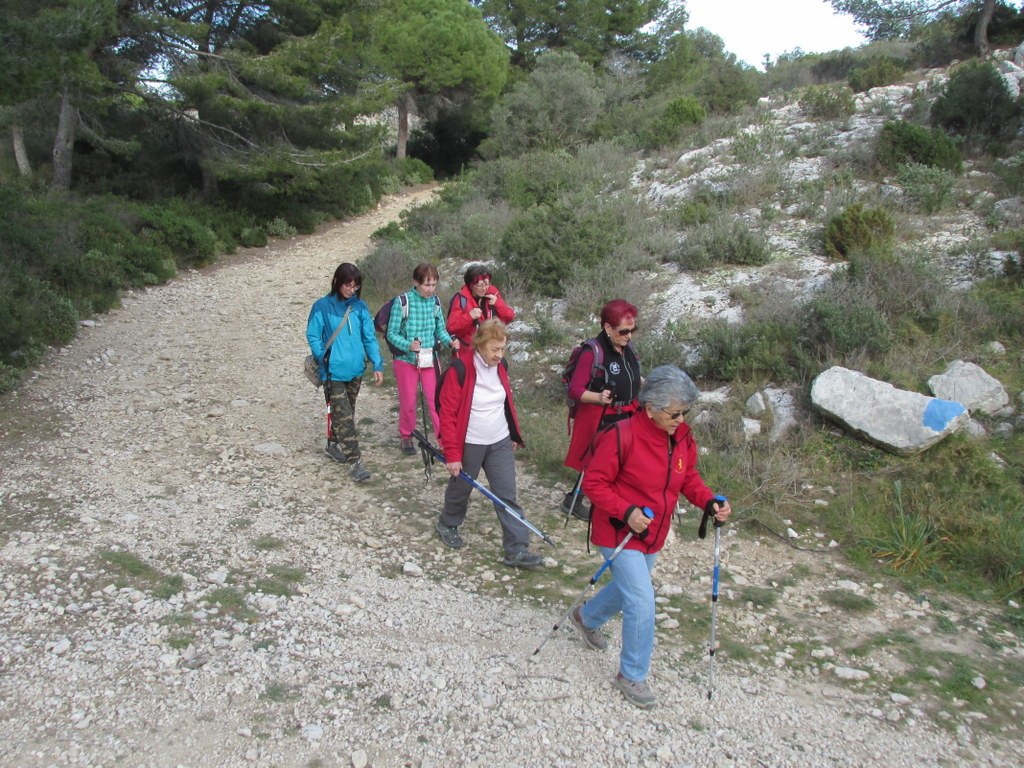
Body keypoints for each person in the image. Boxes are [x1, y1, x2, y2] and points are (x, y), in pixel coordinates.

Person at [573, 365, 732, 709]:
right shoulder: (621, 435)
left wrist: (709, 501)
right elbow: (594, 484)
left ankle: (586, 617)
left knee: (631, 587)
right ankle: (631, 674)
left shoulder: (682, 436)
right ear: (650, 407)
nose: (680, 419)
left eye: (684, 412)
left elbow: (688, 477)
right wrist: (626, 510)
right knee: (642, 600)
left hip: (654, 533)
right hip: (617, 532)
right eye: (675, 413)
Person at [435, 319, 542, 570]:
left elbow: (505, 402)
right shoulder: (460, 369)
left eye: (502, 348)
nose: (499, 354)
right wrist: (452, 454)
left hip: (499, 440)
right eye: (494, 349)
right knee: (461, 488)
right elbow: (448, 414)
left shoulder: (501, 366)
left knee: (507, 494)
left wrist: (513, 433)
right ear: (480, 346)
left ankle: (516, 549)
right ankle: (448, 522)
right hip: (470, 441)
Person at [561, 299, 642, 520]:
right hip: (600, 416)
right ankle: (576, 501)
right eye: (624, 331)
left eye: (632, 330)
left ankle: (615, 502)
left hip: (627, 412)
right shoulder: (592, 352)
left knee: (624, 459)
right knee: (595, 462)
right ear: (607, 327)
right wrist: (597, 396)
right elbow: (575, 389)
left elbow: (631, 376)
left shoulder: (627, 349)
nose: (629, 335)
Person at [306, 262, 384, 482]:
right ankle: (356, 463)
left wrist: (377, 364)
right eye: (348, 285)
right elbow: (312, 334)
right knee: (345, 416)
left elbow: (369, 338)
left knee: (346, 411)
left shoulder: (360, 307)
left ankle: (333, 443)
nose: (352, 289)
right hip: (333, 372)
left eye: (356, 286)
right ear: (337, 282)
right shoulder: (322, 306)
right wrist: (322, 355)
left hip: (356, 370)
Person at [386, 263, 460, 455]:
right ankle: (406, 436)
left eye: (433, 284)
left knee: (436, 400)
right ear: (416, 283)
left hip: (429, 358)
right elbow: (391, 333)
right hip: (405, 359)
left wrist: (450, 341)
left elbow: (440, 329)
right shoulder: (402, 302)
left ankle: (444, 441)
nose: (430, 289)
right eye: (427, 285)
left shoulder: (435, 302)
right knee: (409, 400)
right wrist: (408, 345)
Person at [446, 264, 515, 358]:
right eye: (480, 285)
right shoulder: (461, 299)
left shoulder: (492, 294)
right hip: (468, 352)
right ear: (471, 285)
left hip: (490, 351)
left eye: (487, 284)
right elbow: (452, 328)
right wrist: (469, 317)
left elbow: (509, 317)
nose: (484, 288)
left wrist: (498, 304)